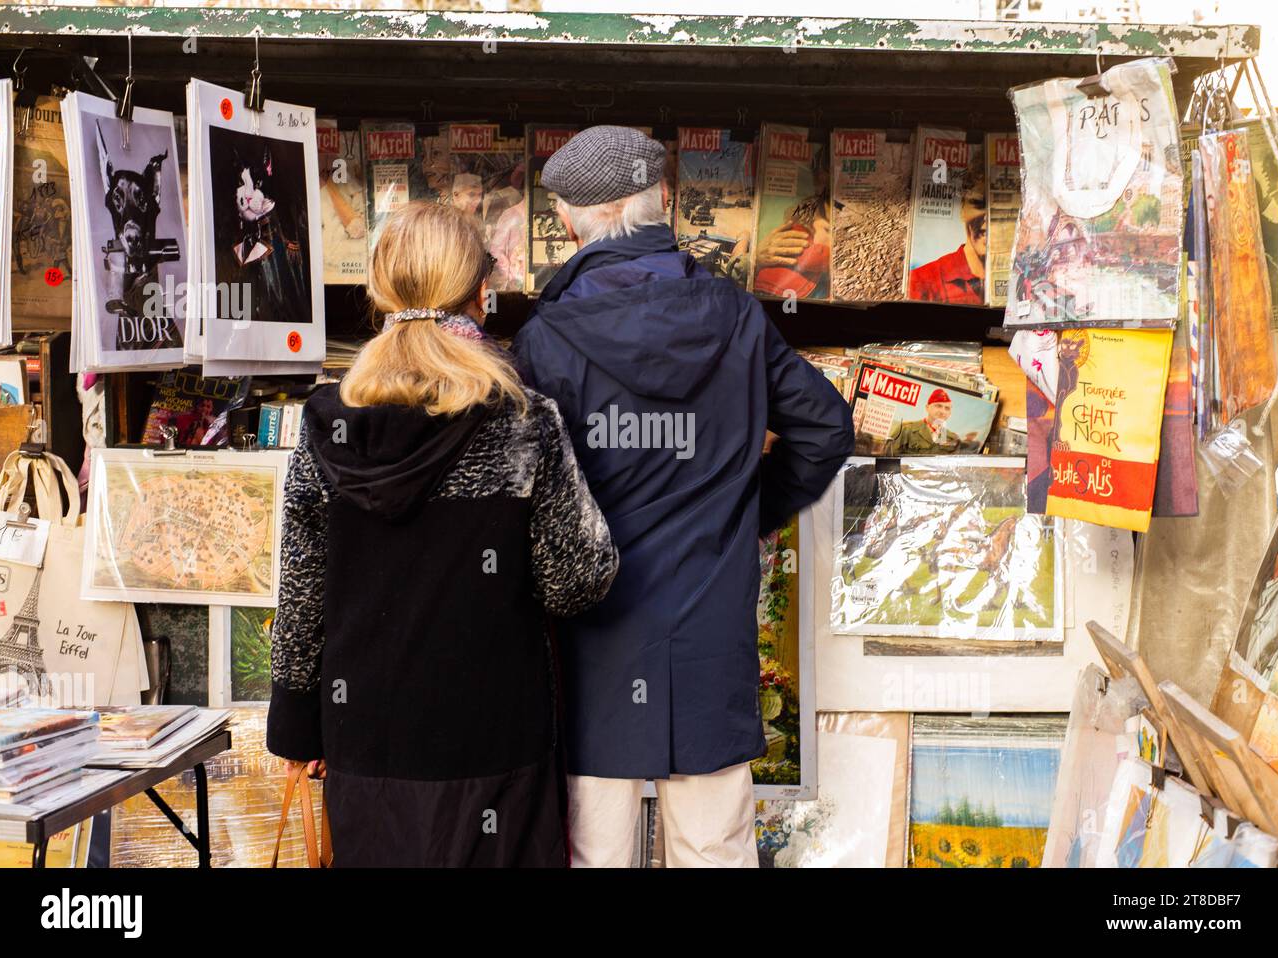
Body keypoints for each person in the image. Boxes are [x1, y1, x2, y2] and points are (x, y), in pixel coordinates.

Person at [513, 126, 853, 868]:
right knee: (712, 851)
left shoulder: (547, 339)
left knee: (594, 853)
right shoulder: (734, 315)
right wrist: (750, 512)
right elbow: (824, 428)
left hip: (592, 643)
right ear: (663, 202)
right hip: (707, 633)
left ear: (570, 222)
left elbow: (523, 492)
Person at [267, 201, 619, 868]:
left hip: (365, 746)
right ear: (479, 291)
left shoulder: (325, 425)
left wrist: (295, 725)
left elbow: (302, 598)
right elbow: (578, 581)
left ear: (380, 288)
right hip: (497, 749)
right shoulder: (523, 420)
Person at [907, 159, 987, 305]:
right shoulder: (919, 282)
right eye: (979, 204)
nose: (989, 218)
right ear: (962, 209)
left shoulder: (1027, 278)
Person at [886, 388, 977, 455]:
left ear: (950, 413)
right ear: (927, 408)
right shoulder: (906, 429)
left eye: (947, 408)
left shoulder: (953, 438)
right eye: (938, 406)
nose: (942, 412)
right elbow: (888, 457)